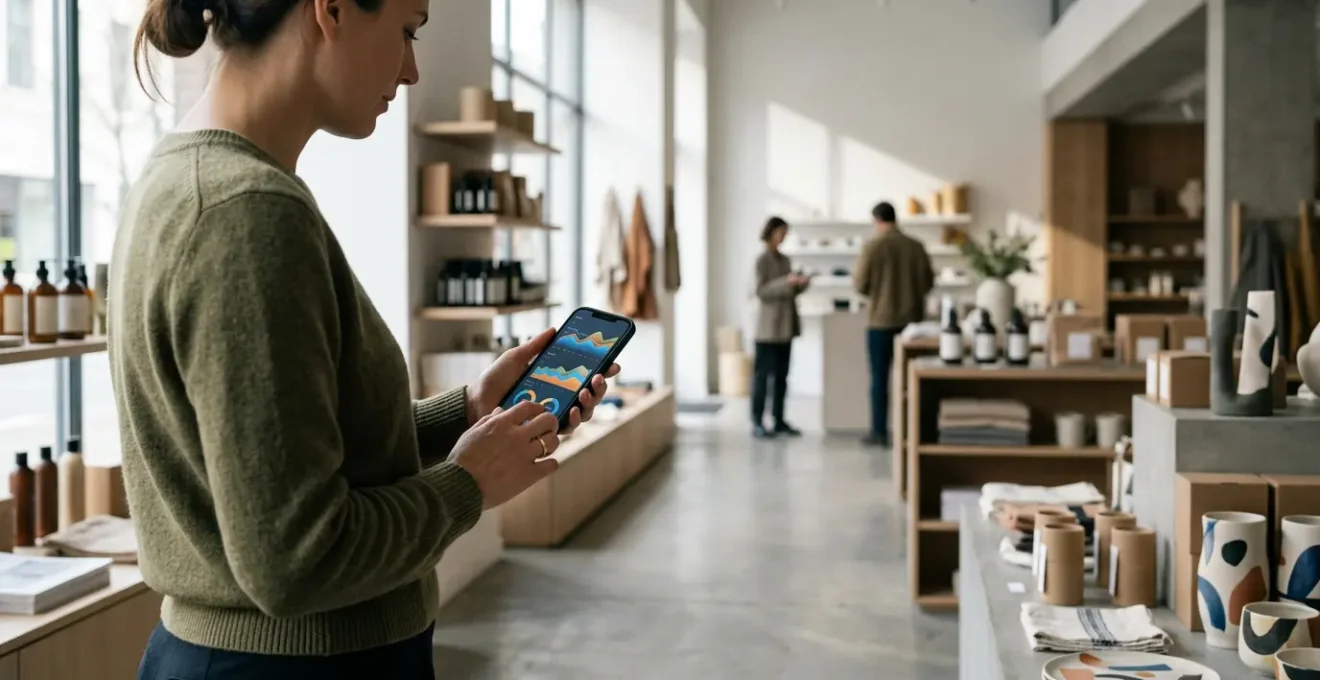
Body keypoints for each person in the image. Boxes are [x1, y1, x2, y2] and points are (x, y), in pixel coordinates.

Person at [114, 1, 618, 677]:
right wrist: (467, 484)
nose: (412, 71)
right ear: (331, 9)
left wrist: (465, 412)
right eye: (408, 31)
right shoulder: (248, 214)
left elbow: (287, 454)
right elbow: (296, 558)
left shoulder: (186, 177)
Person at [853, 201, 933, 447]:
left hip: (880, 321)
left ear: (877, 220)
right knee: (914, 380)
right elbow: (928, 283)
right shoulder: (916, 246)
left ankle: (879, 432)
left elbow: (860, 285)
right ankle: (914, 431)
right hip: (912, 324)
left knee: (879, 379)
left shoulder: (872, 246)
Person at [751, 216, 808, 439]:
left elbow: (788, 290)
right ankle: (757, 421)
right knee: (762, 378)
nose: (784, 236)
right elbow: (761, 292)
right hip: (767, 330)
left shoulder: (785, 260)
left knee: (782, 377)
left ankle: (779, 420)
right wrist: (787, 282)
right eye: (781, 232)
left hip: (786, 327)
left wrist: (800, 284)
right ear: (771, 232)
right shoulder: (762, 260)